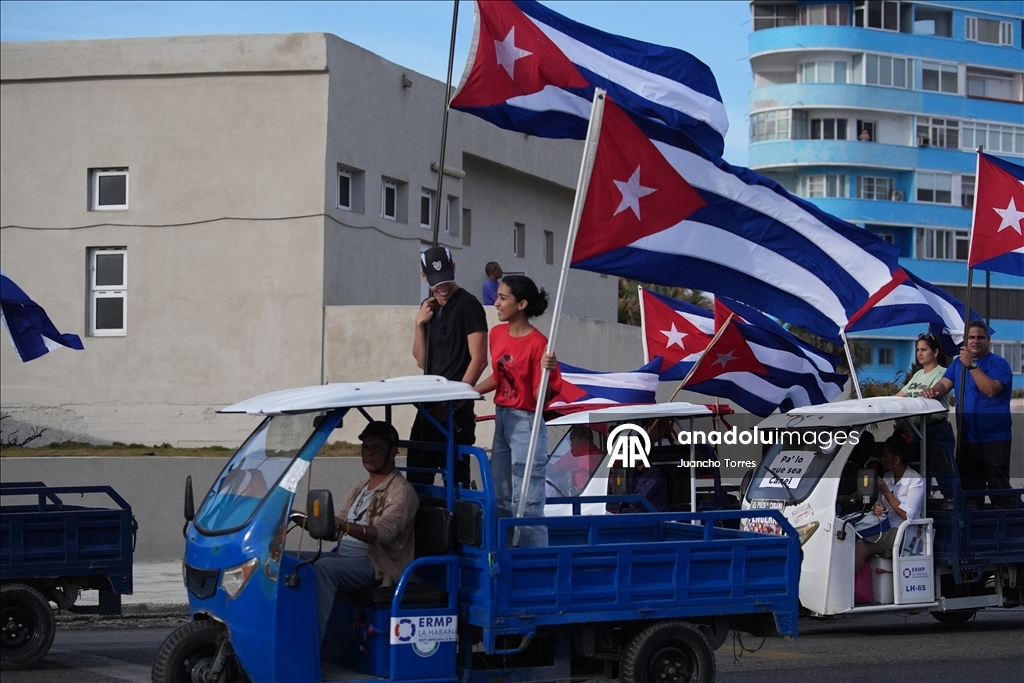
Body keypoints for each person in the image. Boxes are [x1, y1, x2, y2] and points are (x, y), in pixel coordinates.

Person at [473, 275, 560, 547]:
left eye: (502, 298)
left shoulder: (539, 344)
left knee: (528, 499)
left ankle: (536, 563)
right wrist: (468, 392)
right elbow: (501, 377)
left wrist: (549, 371)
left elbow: (538, 398)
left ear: (521, 304)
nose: (496, 303)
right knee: (499, 496)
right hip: (502, 418)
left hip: (526, 422)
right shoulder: (497, 334)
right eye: (497, 297)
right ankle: (502, 554)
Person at [314, 422, 419, 641]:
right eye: (366, 447)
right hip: (344, 556)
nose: (369, 452)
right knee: (292, 563)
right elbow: (335, 529)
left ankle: (310, 648)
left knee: (323, 569)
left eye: (376, 447)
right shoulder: (361, 487)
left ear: (392, 453)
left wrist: (345, 526)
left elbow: (384, 533)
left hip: (377, 564)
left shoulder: (401, 491)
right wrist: (304, 518)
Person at [410, 246, 488, 487]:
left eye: (446, 279)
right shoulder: (429, 306)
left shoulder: (469, 305)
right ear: (424, 277)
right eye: (435, 282)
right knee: (416, 478)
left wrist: (453, 404)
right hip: (429, 406)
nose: (442, 287)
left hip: (457, 410)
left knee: (456, 482)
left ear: (454, 269)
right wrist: (419, 324)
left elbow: (479, 359)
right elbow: (422, 360)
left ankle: (461, 524)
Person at [922, 321, 1013, 508]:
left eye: (981, 337)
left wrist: (971, 364)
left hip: (995, 440)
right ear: (965, 340)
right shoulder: (957, 365)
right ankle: (974, 534)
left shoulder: (999, 364)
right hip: (967, 440)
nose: (975, 341)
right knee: (969, 494)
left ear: (988, 340)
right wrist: (932, 391)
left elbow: (990, 390)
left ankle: (1003, 533)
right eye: (971, 337)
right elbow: (943, 385)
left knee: (999, 491)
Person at [855, 435, 925, 572]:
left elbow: (907, 515)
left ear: (897, 459)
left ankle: (845, 586)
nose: (882, 459)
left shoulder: (915, 480)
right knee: (853, 534)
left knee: (861, 546)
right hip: (885, 527)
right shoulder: (887, 477)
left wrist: (887, 493)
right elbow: (880, 505)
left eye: (886, 456)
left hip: (904, 530)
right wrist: (878, 508)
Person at [896, 332, 956, 469]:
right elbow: (898, 397)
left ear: (935, 352)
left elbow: (934, 395)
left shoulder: (944, 373)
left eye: (924, 350)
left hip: (936, 431)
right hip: (917, 432)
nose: (919, 353)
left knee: (946, 481)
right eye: (917, 350)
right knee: (921, 479)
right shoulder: (918, 374)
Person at [552, 424, 604, 494]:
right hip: (599, 492)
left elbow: (554, 469)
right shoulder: (602, 454)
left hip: (579, 494)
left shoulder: (575, 453)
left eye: (571, 440)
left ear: (576, 439)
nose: (571, 444)